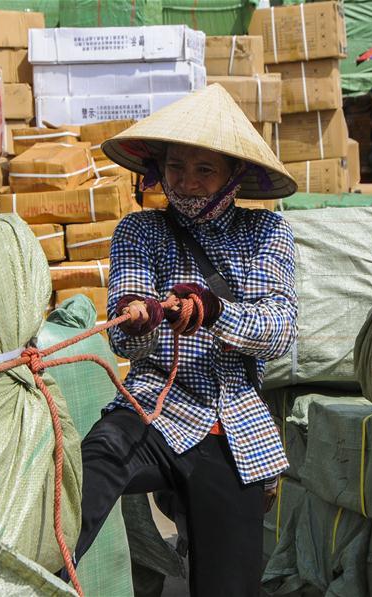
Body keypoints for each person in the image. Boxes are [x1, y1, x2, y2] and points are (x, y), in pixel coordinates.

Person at [66, 84, 298, 596]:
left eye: (204, 170)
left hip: (233, 426)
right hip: (153, 408)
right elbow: (127, 338)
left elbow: (279, 330)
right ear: (158, 169)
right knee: (86, 474)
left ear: (234, 175)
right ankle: (39, 577)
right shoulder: (139, 230)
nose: (186, 182)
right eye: (175, 168)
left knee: (228, 586)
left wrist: (213, 310)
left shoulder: (268, 233)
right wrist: (138, 319)